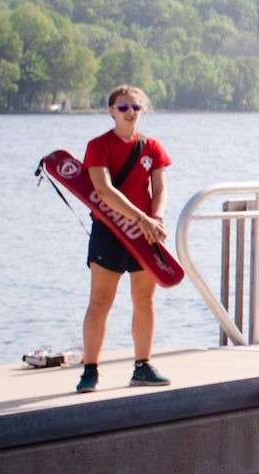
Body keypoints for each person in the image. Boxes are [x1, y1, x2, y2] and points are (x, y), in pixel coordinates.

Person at [76, 85, 173, 393]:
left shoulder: (152, 147)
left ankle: (142, 367)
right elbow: (103, 190)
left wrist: (155, 219)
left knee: (144, 300)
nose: (130, 113)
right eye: (123, 108)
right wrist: (140, 218)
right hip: (110, 231)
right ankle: (89, 370)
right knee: (100, 302)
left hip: (145, 234)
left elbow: (159, 189)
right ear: (111, 111)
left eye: (136, 107)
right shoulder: (98, 146)